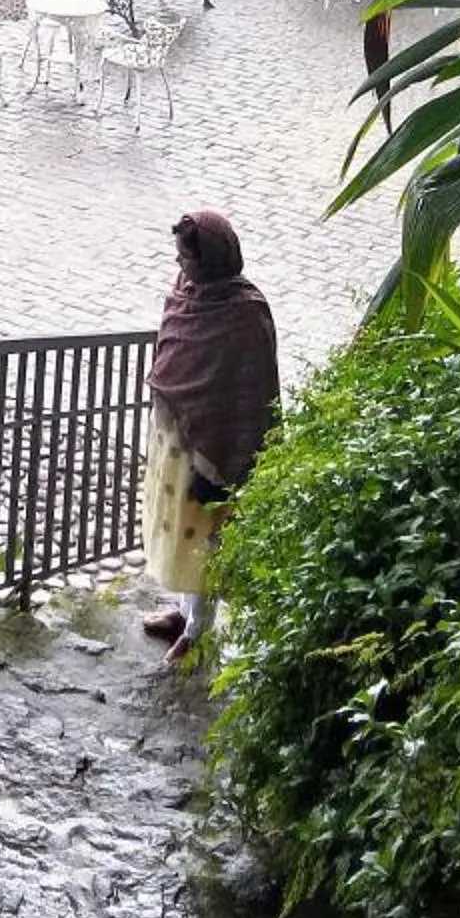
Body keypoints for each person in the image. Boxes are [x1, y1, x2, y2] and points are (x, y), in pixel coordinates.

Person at [140, 209, 280, 664]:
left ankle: (198, 632)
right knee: (178, 528)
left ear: (213, 259)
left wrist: (226, 458)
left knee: (207, 535)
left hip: (216, 450)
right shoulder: (188, 294)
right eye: (179, 258)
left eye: (187, 259)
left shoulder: (244, 313)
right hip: (178, 440)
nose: (181, 267)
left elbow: (249, 391)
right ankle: (184, 612)